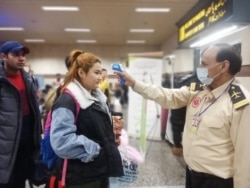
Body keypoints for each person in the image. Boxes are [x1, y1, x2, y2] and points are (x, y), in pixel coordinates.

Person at [114, 43, 250, 188]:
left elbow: (245, 158)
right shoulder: (199, 90)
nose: (200, 68)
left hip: (217, 182)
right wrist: (134, 83)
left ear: (223, 66)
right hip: (192, 175)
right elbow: (167, 96)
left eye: (204, 64)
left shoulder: (240, 104)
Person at [50, 50, 123, 188]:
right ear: (81, 73)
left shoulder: (97, 97)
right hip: (81, 176)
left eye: (101, 72)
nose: (100, 77)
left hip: (99, 170)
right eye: (96, 72)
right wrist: (96, 150)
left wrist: (110, 136)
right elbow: (61, 141)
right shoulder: (67, 100)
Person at [0, 41, 41, 188]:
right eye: (16, 55)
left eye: (23, 55)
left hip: (27, 144)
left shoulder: (28, 79)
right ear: (3, 56)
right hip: (6, 147)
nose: (21, 58)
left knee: (21, 181)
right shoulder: (2, 82)